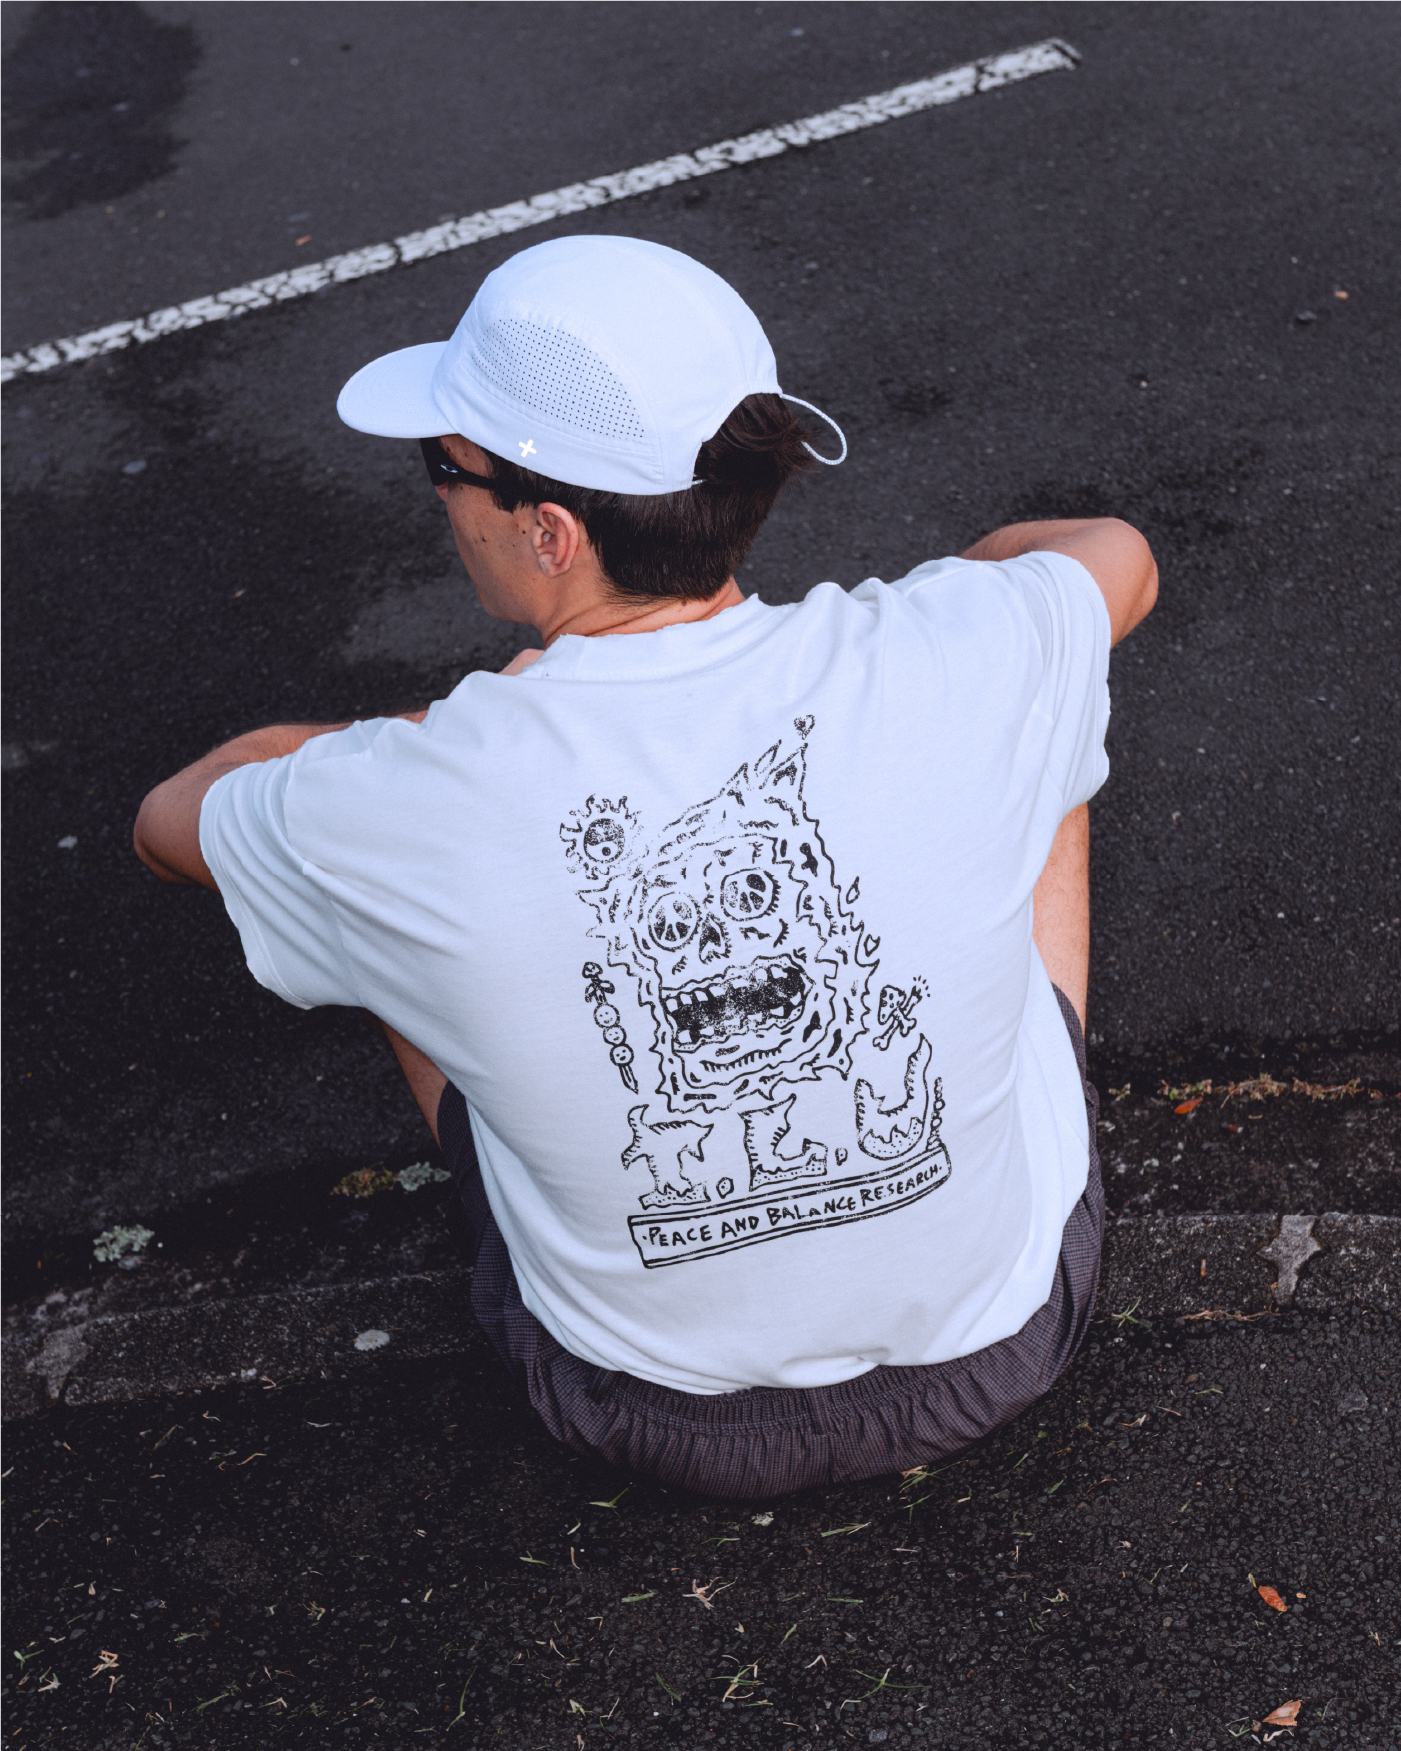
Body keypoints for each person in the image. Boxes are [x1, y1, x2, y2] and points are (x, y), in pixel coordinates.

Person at [134, 234, 1156, 1500]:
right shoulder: (957, 652)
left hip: (642, 1405)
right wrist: (969, 590)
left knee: (385, 891)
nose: (438, 497)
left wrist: (411, 743)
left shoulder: (406, 796)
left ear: (551, 528)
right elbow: (1115, 553)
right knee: (1044, 731)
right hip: (997, 1344)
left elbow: (173, 819)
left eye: (442, 471)